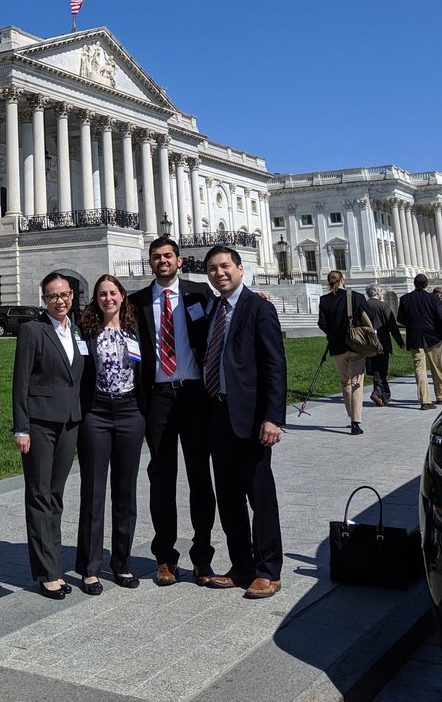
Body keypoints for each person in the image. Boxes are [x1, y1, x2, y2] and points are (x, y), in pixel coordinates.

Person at [129, 236, 216, 586]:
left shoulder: (200, 294)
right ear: (150, 262)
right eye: (156, 256)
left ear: (180, 261)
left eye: (168, 255)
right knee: (162, 478)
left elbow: (224, 321)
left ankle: (202, 557)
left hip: (194, 395)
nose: (162, 261)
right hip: (159, 397)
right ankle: (165, 557)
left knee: (200, 477)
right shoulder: (137, 302)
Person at [201, 245, 286, 600]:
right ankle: (241, 566)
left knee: (259, 495)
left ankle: (268, 570)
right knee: (229, 496)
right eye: (212, 268)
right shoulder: (213, 308)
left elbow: (274, 365)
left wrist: (273, 417)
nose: (219, 273)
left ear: (240, 269)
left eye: (225, 266)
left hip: (251, 417)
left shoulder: (258, 308)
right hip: (218, 413)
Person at [12, 271, 84, 598]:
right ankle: (46, 573)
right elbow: (21, 382)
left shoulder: (76, 330)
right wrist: (22, 427)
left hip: (69, 422)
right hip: (40, 424)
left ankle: (54, 564)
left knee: (55, 495)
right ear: (44, 299)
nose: (59, 301)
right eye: (53, 296)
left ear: (72, 295)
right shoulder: (33, 330)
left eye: (64, 294)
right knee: (39, 495)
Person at [75, 274, 146, 595]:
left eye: (113, 293)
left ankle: (122, 562)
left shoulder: (136, 329)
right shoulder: (87, 331)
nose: (108, 298)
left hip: (130, 412)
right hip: (97, 412)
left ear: (122, 296)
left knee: (125, 492)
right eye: (102, 294)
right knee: (93, 490)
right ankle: (90, 568)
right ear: (96, 299)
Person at [317, 269, 374, 434]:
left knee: (345, 382)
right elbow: (368, 317)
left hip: (337, 346)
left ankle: (351, 415)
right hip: (356, 345)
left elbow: (322, 323)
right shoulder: (355, 296)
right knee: (356, 381)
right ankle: (355, 421)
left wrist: (333, 333)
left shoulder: (324, 300)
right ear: (342, 280)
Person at [398, 273, 442, 411]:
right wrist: (441, 333)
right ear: (426, 284)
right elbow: (441, 318)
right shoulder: (432, 298)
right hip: (432, 337)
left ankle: (425, 400)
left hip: (415, 337)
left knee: (419, 369)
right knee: (437, 367)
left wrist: (412, 323)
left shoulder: (405, 299)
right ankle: (440, 395)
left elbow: (400, 319)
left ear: (414, 284)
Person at [363, 285, 404, 406]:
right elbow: (392, 325)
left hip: (368, 342)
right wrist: (400, 341)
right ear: (377, 292)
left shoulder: (364, 305)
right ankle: (376, 392)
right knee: (381, 368)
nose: (381, 293)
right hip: (382, 342)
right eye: (380, 291)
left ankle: (385, 394)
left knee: (377, 367)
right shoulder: (383, 306)